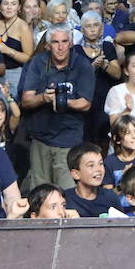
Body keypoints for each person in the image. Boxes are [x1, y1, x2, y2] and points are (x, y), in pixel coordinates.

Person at [18, 26, 94, 191]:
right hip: (40, 139)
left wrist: (64, 102)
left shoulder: (82, 65)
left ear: (71, 43)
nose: (60, 47)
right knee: (39, 192)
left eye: (64, 42)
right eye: (55, 42)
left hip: (68, 139)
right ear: (47, 45)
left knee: (67, 191)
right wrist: (44, 98)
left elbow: (86, 103)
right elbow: (26, 100)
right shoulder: (38, 62)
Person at [62, 142, 123, 217]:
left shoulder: (111, 197)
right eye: (91, 165)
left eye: (100, 163)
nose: (98, 169)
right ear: (76, 174)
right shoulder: (65, 200)